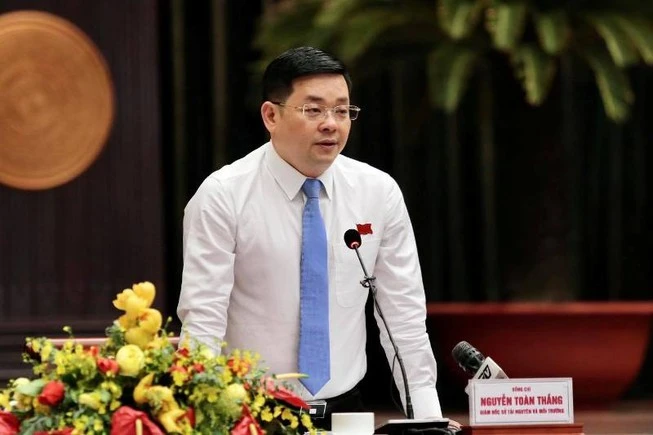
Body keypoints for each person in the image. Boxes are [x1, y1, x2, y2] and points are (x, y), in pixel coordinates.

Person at [177, 46, 447, 428]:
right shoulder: (223, 196)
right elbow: (203, 320)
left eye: (342, 110)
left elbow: (403, 314)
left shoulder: (378, 192)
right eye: (313, 110)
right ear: (271, 115)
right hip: (248, 412)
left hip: (346, 411)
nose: (331, 124)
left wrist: (428, 417)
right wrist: (197, 417)